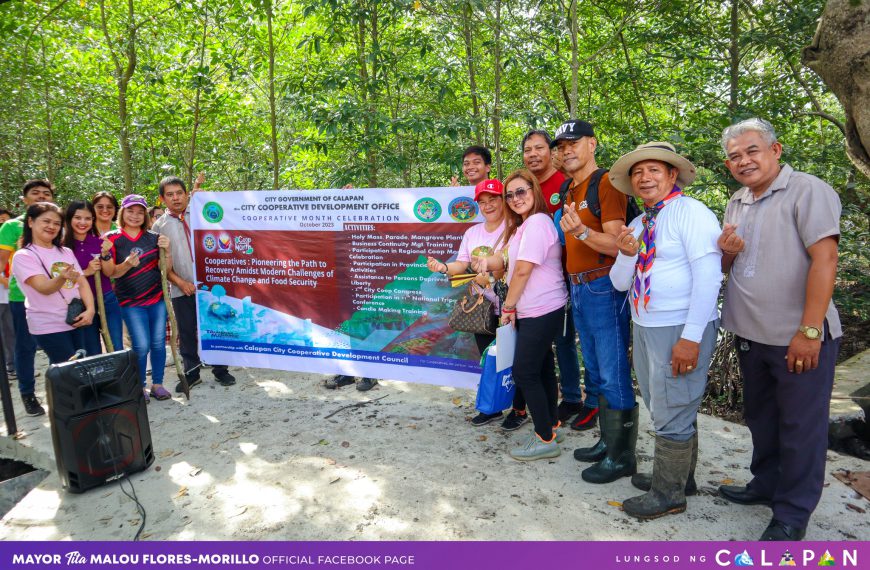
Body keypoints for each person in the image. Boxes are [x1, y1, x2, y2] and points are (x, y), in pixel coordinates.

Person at [716, 118, 842, 541]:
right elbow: (726, 267)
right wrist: (726, 254)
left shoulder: (807, 191)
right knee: (762, 418)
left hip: (798, 336)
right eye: (734, 156)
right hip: (751, 333)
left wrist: (810, 330)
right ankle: (766, 485)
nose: (743, 161)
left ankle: (792, 513)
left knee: (800, 426)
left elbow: (825, 261)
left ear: (776, 150)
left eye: (751, 150)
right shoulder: (737, 201)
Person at [607, 142, 722, 517]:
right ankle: (678, 477)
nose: (644, 178)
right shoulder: (641, 223)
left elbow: (708, 277)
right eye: (638, 172)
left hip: (679, 326)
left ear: (673, 175)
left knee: (675, 402)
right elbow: (621, 284)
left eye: (654, 170)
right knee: (664, 403)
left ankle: (668, 493)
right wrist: (626, 253)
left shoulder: (692, 213)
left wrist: (690, 338)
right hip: (645, 324)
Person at [555, 119, 637, 482]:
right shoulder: (571, 189)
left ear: (593, 144)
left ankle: (622, 458)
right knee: (597, 369)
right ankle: (608, 441)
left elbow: (619, 243)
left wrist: (581, 231)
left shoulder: (606, 183)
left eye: (574, 142)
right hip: (579, 287)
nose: (566, 149)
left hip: (604, 286)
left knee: (614, 368)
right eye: (561, 145)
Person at [472, 169, 569, 461]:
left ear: (534, 191)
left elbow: (524, 270)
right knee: (541, 369)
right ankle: (550, 424)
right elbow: (508, 263)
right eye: (510, 194)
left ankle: (544, 438)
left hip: (540, 308)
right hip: (537, 308)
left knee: (524, 371)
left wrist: (509, 308)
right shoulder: (524, 226)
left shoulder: (538, 222)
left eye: (521, 191)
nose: (515, 199)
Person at [425, 179, 527, 430]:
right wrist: (444, 268)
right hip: (483, 308)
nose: (488, 205)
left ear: (504, 201)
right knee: (489, 360)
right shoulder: (472, 233)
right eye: (483, 202)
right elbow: (463, 265)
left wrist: (492, 275)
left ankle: (519, 409)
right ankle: (492, 406)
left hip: (513, 306)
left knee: (517, 360)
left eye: (493, 199)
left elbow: (519, 266)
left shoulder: (517, 229)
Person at [521, 129, 584, 424]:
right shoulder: (525, 185)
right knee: (540, 345)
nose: (533, 154)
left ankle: (572, 397)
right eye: (527, 149)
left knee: (564, 340)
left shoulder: (566, 181)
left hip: (567, 274)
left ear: (552, 152)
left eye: (539, 148)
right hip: (532, 279)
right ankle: (549, 398)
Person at [152, 175, 237, 391]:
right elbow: (161, 264)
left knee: (216, 327)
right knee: (187, 332)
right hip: (182, 288)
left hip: (211, 286)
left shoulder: (201, 213)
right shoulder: (158, 226)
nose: (176, 198)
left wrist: (205, 196)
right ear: (162, 199)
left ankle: (221, 370)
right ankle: (192, 373)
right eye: (169, 195)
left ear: (186, 193)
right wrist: (180, 282)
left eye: (179, 193)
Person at [106, 195, 173, 402]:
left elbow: (165, 269)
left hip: (157, 299)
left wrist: (167, 250)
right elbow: (111, 273)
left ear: (145, 215)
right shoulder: (112, 239)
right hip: (130, 302)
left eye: (139, 212)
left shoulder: (153, 237)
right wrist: (126, 264)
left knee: (159, 343)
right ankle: (139, 385)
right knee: (141, 345)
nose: (135, 216)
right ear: (122, 213)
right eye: (130, 211)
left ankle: (158, 384)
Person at [11, 203, 95, 364]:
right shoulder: (24, 256)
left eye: (56, 223)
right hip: (49, 325)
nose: (51, 226)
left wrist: (90, 310)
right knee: (70, 373)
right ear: (30, 222)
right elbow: (44, 288)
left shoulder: (66, 252)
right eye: (46, 221)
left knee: (74, 373)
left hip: (75, 319)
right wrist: (62, 277)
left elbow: (82, 283)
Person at [0, 180, 56, 416]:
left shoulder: (56, 224)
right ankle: (28, 394)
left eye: (46, 194)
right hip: (21, 297)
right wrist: (11, 283)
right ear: (25, 200)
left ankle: (62, 391)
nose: (41, 197)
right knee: (25, 347)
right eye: (35, 194)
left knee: (57, 346)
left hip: (55, 295)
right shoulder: (12, 226)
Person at [63, 200, 124, 355]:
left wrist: (105, 254)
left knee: (116, 346)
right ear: (69, 219)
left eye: (88, 218)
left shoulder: (100, 242)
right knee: (92, 351)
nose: (83, 222)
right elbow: (63, 281)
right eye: (78, 218)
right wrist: (86, 272)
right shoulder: (62, 247)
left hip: (107, 299)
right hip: (81, 304)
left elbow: (109, 272)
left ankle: (118, 379)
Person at [0, 209, 15, 378]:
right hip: (5, 291)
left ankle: (11, 366)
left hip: (9, 296)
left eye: (5, 221)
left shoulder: (13, 244)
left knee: (10, 332)